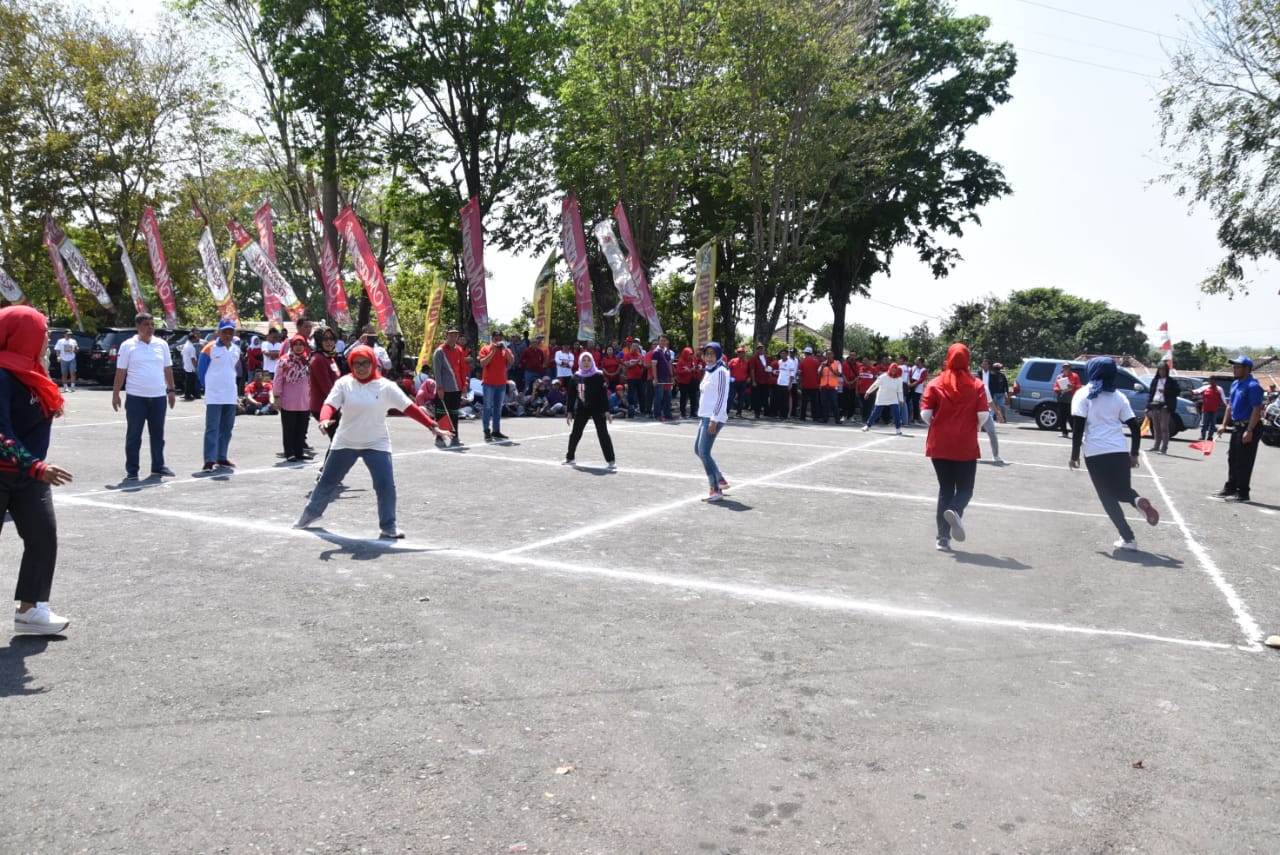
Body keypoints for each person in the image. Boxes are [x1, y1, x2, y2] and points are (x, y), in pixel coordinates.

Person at [294, 344, 451, 539]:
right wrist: (325, 419)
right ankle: (310, 514)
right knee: (327, 481)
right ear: (351, 364)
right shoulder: (344, 383)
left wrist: (432, 426)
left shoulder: (386, 386)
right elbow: (329, 404)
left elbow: (409, 407)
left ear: (373, 363)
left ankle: (388, 525)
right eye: (356, 363)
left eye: (365, 363)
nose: (361, 367)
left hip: (377, 443)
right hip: (345, 441)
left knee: (385, 484)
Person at [0, 306, 74, 634]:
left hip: (29, 475)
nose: (48, 337)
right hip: (18, 470)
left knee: (43, 536)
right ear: (22, 335)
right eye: (43, 330)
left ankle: (30, 610)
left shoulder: (30, 371)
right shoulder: (1, 374)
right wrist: (35, 466)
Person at [1069, 357, 1160, 552]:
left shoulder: (1082, 394)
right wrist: (1134, 453)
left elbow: (1077, 429)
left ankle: (1128, 538)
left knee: (1107, 498)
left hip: (1095, 452)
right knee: (1122, 490)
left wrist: (1074, 455)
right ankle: (1136, 500)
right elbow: (1135, 428)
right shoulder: (1119, 396)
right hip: (1119, 450)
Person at [921, 343, 989, 551]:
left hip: (939, 444)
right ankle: (955, 510)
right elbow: (983, 416)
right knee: (966, 488)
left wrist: (939, 424)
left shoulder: (935, 383)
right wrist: (974, 426)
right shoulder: (977, 385)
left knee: (945, 488)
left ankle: (942, 539)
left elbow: (925, 415)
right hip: (965, 445)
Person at [111, 312, 177, 480]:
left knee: (158, 434)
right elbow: (121, 371)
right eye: (146, 324)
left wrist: (171, 391)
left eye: (152, 324)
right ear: (138, 326)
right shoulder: (128, 346)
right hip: (136, 397)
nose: (150, 328)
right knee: (134, 435)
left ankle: (158, 466)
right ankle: (132, 470)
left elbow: (168, 369)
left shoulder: (161, 345)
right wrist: (116, 394)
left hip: (158, 396)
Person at [1213, 355, 1265, 503]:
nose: (1235, 369)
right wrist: (1223, 424)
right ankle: (1230, 487)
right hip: (1237, 426)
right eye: (1234, 367)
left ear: (1247, 369)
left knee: (1244, 460)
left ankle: (1242, 492)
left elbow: (1257, 409)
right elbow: (1230, 405)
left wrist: (1250, 430)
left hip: (1249, 426)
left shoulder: (1253, 386)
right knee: (1233, 458)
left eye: (1238, 367)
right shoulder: (1236, 384)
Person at [197, 319, 241, 472]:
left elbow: (232, 370)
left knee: (227, 428)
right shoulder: (209, 348)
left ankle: (221, 456)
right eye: (225, 331)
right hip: (214, 395)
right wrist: (207, 387)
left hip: (230, 393)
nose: (228, 334)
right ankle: (209, 459)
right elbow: (201, 371)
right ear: (219, 332)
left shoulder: (236, 349)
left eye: (231, 331)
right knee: (212, 428)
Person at [563, 352, 617, 469]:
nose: (586, 363)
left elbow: (603, 395)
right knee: (575, 433)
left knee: (603, 433)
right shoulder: (576, 377)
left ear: (592, 362)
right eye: (584, 360)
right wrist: (570, 411)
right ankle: (570, 457)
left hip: (598, 408)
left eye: (588, 360)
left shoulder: (598, 375)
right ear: (580, 362)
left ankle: (611, 460)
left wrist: (607, 411)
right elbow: (571, 396)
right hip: (582, 408)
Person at [694, 342, 731, 502]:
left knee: (703, 452)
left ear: (718, 355)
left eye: (712, 354)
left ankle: (715, 489)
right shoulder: (709, 371)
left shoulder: (721, 371)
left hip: (714, 417)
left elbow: (722, 397)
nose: (709, 357)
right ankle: (720, 478)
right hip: (705, 415)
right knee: (698, 450)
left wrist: (714, 420)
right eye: (706, 354)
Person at [274, 333, 312, 462]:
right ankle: (289, 452)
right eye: (296, 344)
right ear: (291, 346)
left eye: (301, 344)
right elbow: (278, 380)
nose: (299, 347)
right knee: (289, 428)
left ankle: (299, 451)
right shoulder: (284, 361)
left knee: (302, 428)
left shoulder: (307, 361)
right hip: (289, 400)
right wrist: (277, 396)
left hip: (304, 401)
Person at [478, 329, 515, 441]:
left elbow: (512, 361)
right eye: (496, 339)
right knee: (487, 407)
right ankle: (486, 430)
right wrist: (493, 351)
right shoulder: (485, 349)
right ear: (492, 339)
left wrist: (505, 349)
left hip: (501, 383)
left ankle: (496, 430)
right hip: (489, 383)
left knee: (498, 409)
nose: (498, 341)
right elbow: (483, 363)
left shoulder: (505, 350)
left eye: (500, 339)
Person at [432, 328, 465, 447]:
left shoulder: (459, 350)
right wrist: (440, 388)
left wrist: (464, 386)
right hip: (444, 389)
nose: (453, 338)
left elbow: (461, 369)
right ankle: (439, 438)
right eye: (451, 335)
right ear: (446, 336)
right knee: (441, 414)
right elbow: (437, 372)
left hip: (456, 388)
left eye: (455, 335)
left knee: (454, 414)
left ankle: (454, 437)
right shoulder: (440, 351)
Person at [1145, 362, 1181, 455]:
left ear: (1167, 371)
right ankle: (1156, 446)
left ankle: (1164, 447)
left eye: (1164, 370)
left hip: (1165, 405)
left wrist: (1166, 391)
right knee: (1155, 427)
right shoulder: (1155, 380)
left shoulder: (1171, 381)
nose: (1162, 372)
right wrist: (1148, 406)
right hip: (1154, 404)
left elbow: (1177, 392)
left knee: (1164, 427)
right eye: (1160, 370)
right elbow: (1151, 394)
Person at [862, 361, 905, 434]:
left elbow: (900, 391)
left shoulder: (899, 380)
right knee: (875, 412)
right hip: (882, 398)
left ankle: (898, 429)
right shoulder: (883, 376)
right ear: (890, 368)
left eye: (895, 369)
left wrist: (901, 400)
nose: (893, 370)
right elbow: (875, 385)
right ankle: (868, 426)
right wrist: (868, 392)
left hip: (893, 399)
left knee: (896, 413)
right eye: (892, 368)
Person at [649, 335, 675, 421]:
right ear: (659, 341)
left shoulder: (667, 351)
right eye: (661, 340)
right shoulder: (656, 352)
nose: (663, 342)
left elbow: (669, 365)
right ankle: (657, 414)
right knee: (659, 396)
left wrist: (671, 376)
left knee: (668, 396)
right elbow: (653, 365)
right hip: (659, 378)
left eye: (664, 341)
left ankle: (667, 414)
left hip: (667, 378)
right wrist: (655, 378)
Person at [1054, 362, 1081, 438]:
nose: (1066, 368)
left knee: (1071, 417)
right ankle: (1064, 432)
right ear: (1062, 368)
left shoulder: (1075, 376)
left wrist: (1073, 386)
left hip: (1071, 399)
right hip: (1062, 398)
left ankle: (1075, 432)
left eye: (1067, 367)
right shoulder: (1059, 377)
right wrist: (1060, 389)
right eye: (1064, 367)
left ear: (1070, 368)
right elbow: (1055, 388)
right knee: (1062, 416)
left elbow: (1079, 386)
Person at [674, 347, 702, 419]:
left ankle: (693, 412)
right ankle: (683, 412)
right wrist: (688, 371)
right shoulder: (681, 361)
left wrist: (696, 369)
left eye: (691, 354)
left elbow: (697, 367)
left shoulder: (693, 360)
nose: (690, 356)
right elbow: (678, 371)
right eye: (689, 354)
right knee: (683, 397)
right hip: (683, 382)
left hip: (692, 381)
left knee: (694, 397)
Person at [817, 350, 842, 423]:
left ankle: (837, 419)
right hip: (824, 387)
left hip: (833, 387)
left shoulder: (837, 363)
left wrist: (831, 369)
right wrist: (822, 367)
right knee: (824, 404)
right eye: (827, 355)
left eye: (830, 354)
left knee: (835, 404)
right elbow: (819, 374)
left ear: (833, 355)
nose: (828, 356)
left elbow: (839, 374)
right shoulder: (822, 363)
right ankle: (825, 419)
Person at [798, 346, 821, 420]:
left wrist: (800, 383)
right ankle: (815, 417)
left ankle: (802, 417)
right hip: (814, 385)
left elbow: (800, 373)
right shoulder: (816, 362)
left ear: (805, 353)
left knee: (804, 401)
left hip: (805, 385)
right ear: (811, 353)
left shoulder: (802, 362)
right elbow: (819, 373)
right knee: (814, 402)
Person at [727, 346, 750, 417]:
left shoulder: (747, 362)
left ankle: (739, 413)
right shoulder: (733, 360)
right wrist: (729, 377)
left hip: (743, 382)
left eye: (742, 352)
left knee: (741, 397)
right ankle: (726, 412)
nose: (740, 354)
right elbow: (727, 369)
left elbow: (750, 371)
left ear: (744, 353)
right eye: (739, 352)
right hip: (733, 382)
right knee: (730, 397)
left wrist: (749, 378)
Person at [181, 329, 202, 400]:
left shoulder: (185, 346)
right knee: (190, 382)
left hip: (186, 366)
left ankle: (190, 393)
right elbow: (193, 359)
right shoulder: (191, 347)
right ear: (192, 339)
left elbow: (182, 354)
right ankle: (188, 394)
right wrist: (196, 367)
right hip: (191, 367)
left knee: (188, 381)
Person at [908, 357, 929, 424]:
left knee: (915, 403)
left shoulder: (924, 370)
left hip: (917, 388)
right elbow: (909, 375)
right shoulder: (913, 368)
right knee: (907, 401)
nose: (916, 362)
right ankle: (909, 417)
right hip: (911, 385)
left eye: (917, 361)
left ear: (921, 362)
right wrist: (909, 383)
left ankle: (916, 418)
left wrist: (914, 384)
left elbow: (921, 379)